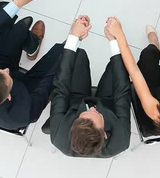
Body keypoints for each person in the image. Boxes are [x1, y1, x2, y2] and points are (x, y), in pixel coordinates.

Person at [0, 8, 63, 131]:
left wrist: (8, 21)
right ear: (9, 96)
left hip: (3, 90)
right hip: (28, 94)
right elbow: (46, 87)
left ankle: (32, 45)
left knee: (15, 33)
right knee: (59, 59)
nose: (6, 70)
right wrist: (69, 47)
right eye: (7, 75)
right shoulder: (25, 113)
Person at [49, 16, 131, 157]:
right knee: (117, 66)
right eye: (97, 114)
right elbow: (122, 92)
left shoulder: (58, 135)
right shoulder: (121, 140)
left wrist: (74, 37)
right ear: (104, 134)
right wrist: (114, 41)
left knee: (77, 55)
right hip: (109, 102)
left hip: (76, 98)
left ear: (71, 127)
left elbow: (60, 88)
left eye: (84, 115)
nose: (93, 107)